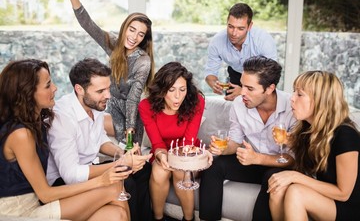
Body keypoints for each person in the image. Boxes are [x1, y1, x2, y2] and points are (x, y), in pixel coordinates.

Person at [0, 59, 129, 220]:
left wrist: (123, 151)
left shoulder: (37, 119)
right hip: (20, 211)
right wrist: (101, 181)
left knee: (116, 214)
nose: (55, 88)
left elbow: (96, 133)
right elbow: (45, 194)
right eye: (47, 85)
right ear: (27, 93)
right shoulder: (20, 134)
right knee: (115, 188)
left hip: (37, 201)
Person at [47, 58, 153, 221]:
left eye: (108, 88)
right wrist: (121, 163)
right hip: (64, 182)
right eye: (100, 91)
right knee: (127, 180)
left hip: (88, 169)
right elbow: (71, 174)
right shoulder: (63, 118)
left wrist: (122, 153)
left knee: (143, 169)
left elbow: (99, 139)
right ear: (79, 89)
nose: (108, 95)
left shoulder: (94, 105)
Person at [56, 0, 155, 144]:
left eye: (141, 34)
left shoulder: (143, 61)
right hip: (111, 106)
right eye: (132, 30)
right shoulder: (114, 44)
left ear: (144, 38)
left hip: (130, 113)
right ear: (125, 28)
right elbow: (88, 25)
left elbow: (133, 97)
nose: (134, 37)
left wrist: (130, 127)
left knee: (127, 148)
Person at [199, 56, 296, 221]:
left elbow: (291, 159)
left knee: (272, 177)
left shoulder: (292, 107)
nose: (242, 92)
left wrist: (257, 158)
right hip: (251, 162)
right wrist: (223, 148)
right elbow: (235, 143)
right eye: (242, 85)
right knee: (213, 166)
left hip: (278, 165)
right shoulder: (239, 104)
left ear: (270, 88)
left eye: (250, 88)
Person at [267, 71, 360, 221]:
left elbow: (344, 193)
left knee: (296, 192)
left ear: (320, 100)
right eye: (293, 92)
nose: (292, 98)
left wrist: (294, 176)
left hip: (350, 206)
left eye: (300, 94)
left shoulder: (345, 135)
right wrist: (292, 143)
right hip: (326, 198)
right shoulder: (308, 130)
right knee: (278, 188)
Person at [139, 62, 212, 221]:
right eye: (171, 90)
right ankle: (157, 217)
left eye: (182, 89)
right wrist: (162, 157)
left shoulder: (197, 101)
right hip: (162, 151)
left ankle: (189, 218)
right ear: (162, 90)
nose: (178, 96)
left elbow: (189, 140)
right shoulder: (146, 106)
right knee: (159, 171)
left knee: (181, 170)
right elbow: (157, 143)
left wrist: (177, 160)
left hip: (189, 150)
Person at [204, 3, 277, 101]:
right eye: (230, 27)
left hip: (259, 77)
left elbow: (271, 76)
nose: (234, 33)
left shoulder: (263, 40)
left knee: (259, 104)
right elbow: (210, 72)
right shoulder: (217, 42)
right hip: (235, 72)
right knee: (233, 104)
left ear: (250, 26)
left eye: (240, 28)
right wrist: (214, 84)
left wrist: (244, 90)